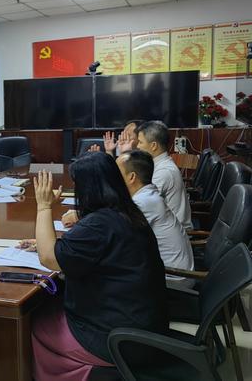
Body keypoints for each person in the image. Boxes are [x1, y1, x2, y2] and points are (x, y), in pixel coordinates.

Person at [24, 152, 168, 380]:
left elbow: (49, 258)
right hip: (144, 323)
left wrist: (44, 207)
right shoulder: (127, 211)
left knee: (35, 322)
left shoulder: (98, 224)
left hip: (119, 337)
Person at [116, 150, 195, 288]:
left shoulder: (143, 202)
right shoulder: (148, 194)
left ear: (132, 177)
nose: (113, 176)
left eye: (116, 172)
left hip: (174, 279)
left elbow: (113, 232)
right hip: (170, 271)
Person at [136, 120, 193, 230]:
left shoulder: (164, 172)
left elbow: (141, 205)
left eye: (140, 142)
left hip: (174, 234)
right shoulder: (158, 165)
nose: (137, 146)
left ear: (153, 146)